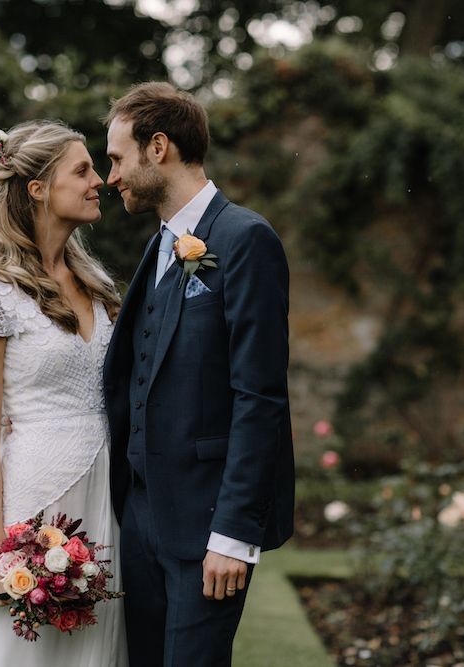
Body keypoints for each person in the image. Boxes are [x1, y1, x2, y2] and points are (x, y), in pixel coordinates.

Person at [102, 82, 295, 666]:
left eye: (116, 158)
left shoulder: (246, 239)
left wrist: (234, 535)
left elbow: (259, 396)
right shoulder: (158, 245)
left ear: (157, 147)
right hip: (138, 522)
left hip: (208, 529)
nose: (111, 177)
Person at [0, 120, 128, 666]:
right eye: (83, 170)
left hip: (107, 495)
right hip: (38, 502)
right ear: (37, 188)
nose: (100, 181)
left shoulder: (98, 285)